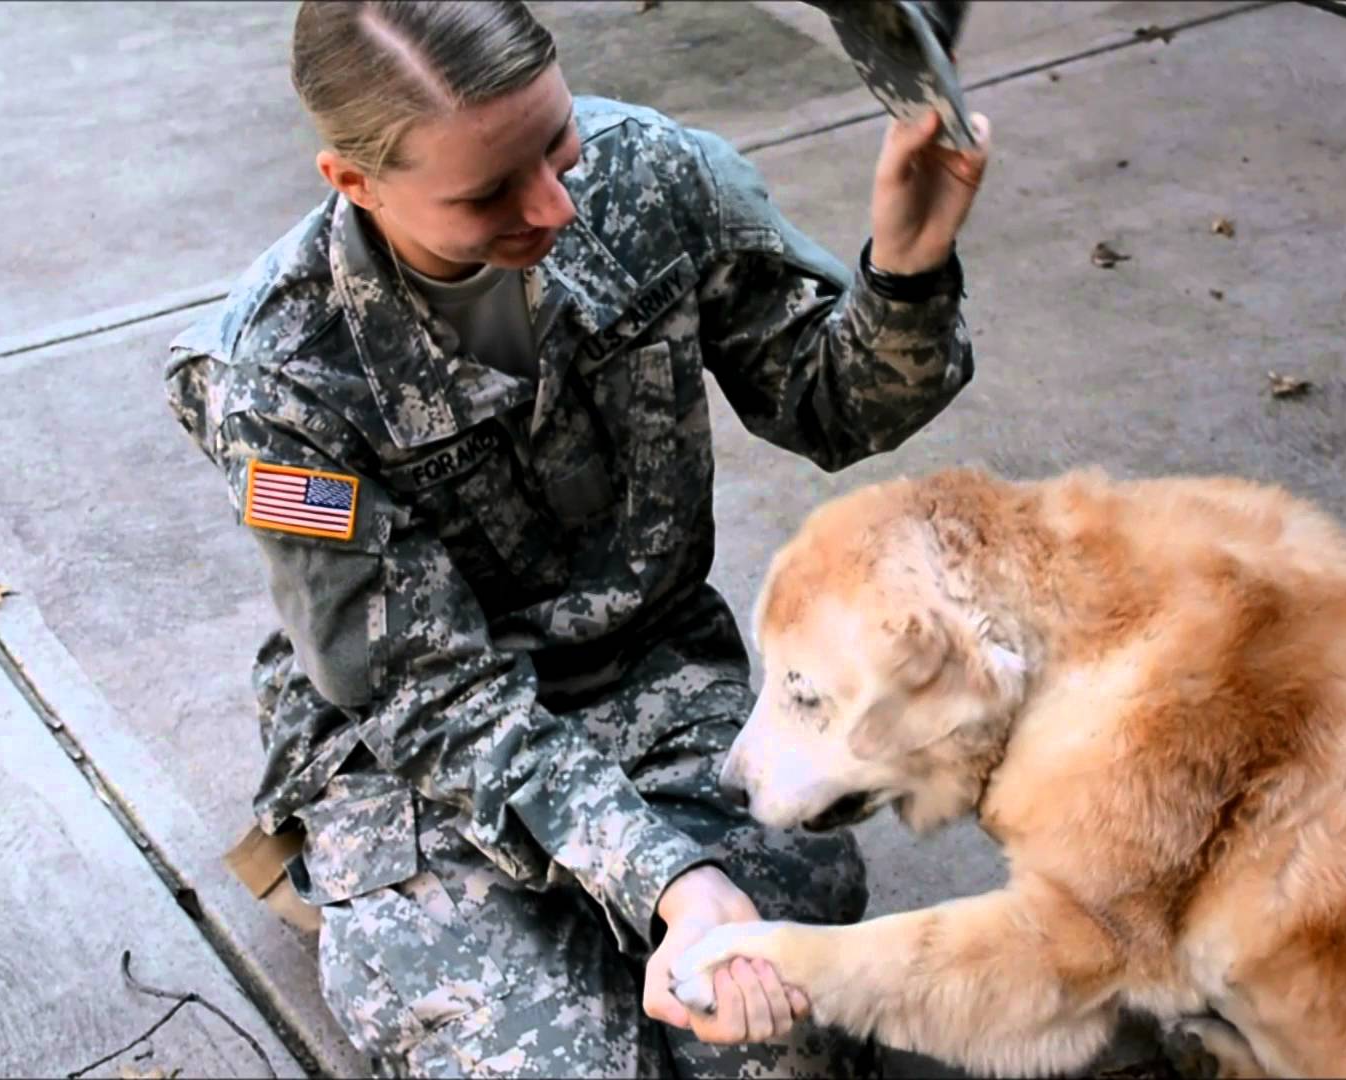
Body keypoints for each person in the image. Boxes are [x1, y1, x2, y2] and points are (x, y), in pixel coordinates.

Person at [163, 1, 990, 1075]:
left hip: (652, 691)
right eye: (487, 192)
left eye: (556, 143)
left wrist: (908, 268)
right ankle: (415, 919)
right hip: (421, 762)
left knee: (772, 1045)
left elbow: (830, 406)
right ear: (354, 183)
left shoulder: (648, 176)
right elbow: (424, 693)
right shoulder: (275, 378)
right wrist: (668, 878)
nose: (553, 203)